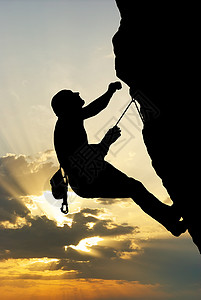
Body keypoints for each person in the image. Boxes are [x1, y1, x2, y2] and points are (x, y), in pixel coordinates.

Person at [51, 82, 186, 236]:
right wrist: (110, 92)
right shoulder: (68, 121)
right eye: (72, 94)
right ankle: (170, 219)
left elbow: (83, 153)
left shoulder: (68, 123)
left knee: (134, 187)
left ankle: (170, 221)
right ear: (66, 106)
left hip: (89, 176)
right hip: (89, 178)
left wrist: (105, 142)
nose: (77, 93)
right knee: (134, 188)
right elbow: (94, 112)